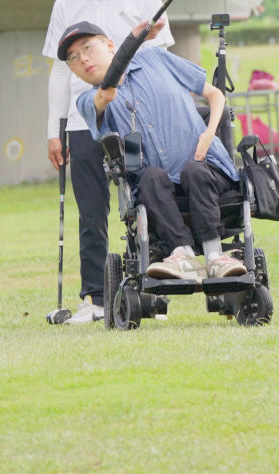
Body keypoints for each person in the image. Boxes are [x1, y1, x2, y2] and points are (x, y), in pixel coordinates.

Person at [42, 0, 174, 324]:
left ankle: (152, 293)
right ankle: (96, 297)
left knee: (146, 200)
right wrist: (54, 130)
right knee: (91, 210)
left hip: (134, 117)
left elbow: (159, 60)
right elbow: (60, 71)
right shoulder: (66, 4)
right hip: (83, 120)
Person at [58, 20, 247, 282]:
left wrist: (209, 133)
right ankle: (182, 254)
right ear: (74, 72)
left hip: (207, 173)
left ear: (110, 45)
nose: (83, 59)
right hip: (156, 188)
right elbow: (106, 95)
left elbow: (215, 94)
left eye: (87, 47)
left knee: (193, 170)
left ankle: (216, 256)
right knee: (150, 177)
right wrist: (133, 40)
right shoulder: (87, 101)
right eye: (73, 58)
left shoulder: (156, 58)